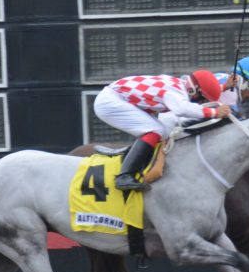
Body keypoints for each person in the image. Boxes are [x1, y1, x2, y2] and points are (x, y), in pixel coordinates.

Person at [94, 70, 231, 191]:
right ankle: (124, 176)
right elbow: (182, 109)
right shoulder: (175, 92)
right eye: (200, 99)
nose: (199, 102)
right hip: (110, 102)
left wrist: (225, 86)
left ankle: (129, 155)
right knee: (156, 130)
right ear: (194, 89)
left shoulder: (180, 85)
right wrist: (214, 113)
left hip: (115, 97)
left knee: (161, 131)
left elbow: (201, 91)